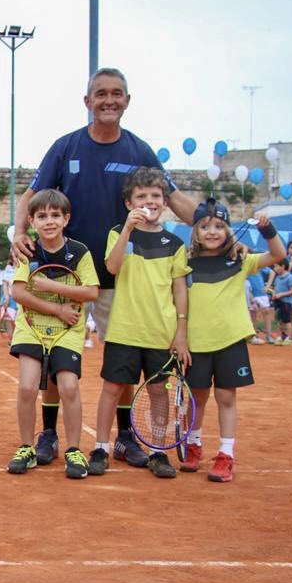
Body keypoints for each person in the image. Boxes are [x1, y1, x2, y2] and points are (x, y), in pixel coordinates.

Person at [14, 67, 198, 469]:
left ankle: (126, 435)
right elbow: (30, 195)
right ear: (87, 101)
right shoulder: (66, 147)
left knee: (123, 361)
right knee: (52, 353)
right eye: (101, 94)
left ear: (127, 101)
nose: (109, 100)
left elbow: (173, 197)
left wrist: (208, 224)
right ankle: (48, 433)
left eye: (117, 94)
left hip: (121, 278)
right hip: (66, 277)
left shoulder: (139, 151)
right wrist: (18, 232)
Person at [90, 167, 191, 479]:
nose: (150, 201)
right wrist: (127, 232)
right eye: (142, 196)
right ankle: (101, 447)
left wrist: (181, 333)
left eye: (156, 196)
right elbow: (113, 266)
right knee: (111, 389)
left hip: (161, 334)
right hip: (124, 330)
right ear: (129, 202)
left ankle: (158, 451)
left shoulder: (175, 243)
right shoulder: (118, 233)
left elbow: (179, 290)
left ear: (164, 201)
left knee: (159, 392)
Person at [182, 201, 285, 482]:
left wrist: (267, 228)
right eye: (205, 227)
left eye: (218, 226)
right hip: (196, 343)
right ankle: (193, 445)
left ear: (228, 231)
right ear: (195, 232)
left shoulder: (240, 261)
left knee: (226, 396)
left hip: (230, 342)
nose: (211, 232)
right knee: (196, 399)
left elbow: (278, 254)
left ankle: (226, 455)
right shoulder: (185, 265)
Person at [6, 189, 99, 478]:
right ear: (31, 221)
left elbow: (90, 291)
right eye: (42, 216)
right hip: (31, 328)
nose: (49, 221)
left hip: (68, 330)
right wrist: (56, 308)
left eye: (55, 215)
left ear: (66, 218)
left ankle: (74, 449)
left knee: (68, 386)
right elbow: (18, 292)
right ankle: (26, 447)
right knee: (26, 387)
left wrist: (52, 288)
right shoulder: (27, 251)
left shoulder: (80, 252)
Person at [268, 259, 292, 345]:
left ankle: (290, 339)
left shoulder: (290, 277)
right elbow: (276, 289)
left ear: (283, 266)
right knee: (279, 320)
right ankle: (281, 336)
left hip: (286, 302)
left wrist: (281, 295)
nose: (275, 268)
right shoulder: (277, 277)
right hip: (278, 301)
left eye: (276, 266)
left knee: (287, 320)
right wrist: (274, 294)